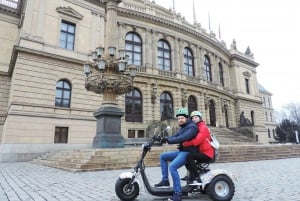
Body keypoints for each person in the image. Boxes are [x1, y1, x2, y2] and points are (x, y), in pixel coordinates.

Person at [154, 108, 198, 201]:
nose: (180, 120)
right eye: (178, 118)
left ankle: (178, 194)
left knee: (173, 167)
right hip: (182, 151)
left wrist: (168, 140)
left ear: (186, 118)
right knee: (163, 156)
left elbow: (183, 137)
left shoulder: (192, 127)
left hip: (188, 152)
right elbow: (175, 136)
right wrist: (163, 138)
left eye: (182, 118)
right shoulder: (183, 127)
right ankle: (165, 181)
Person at [182, 111, 214, 185]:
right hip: (201, 152)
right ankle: (191, 177)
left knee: (189, 157)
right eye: (192, 118)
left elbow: (197, 141)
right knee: (186, 157)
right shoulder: (196, 127)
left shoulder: (203, 127)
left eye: (196, 117)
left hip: (207, 153)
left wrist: (185, 144)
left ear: (200, 118)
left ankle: (196, 177)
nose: (194, 119)